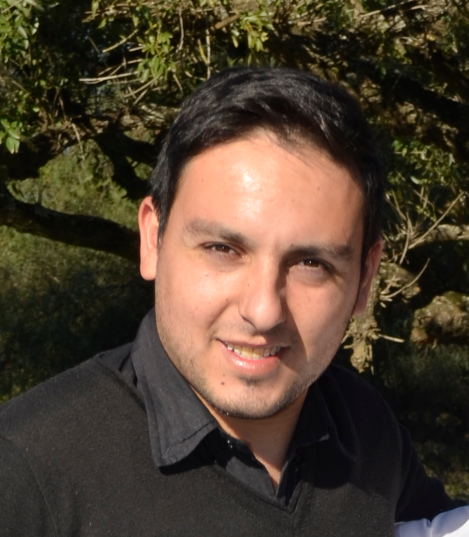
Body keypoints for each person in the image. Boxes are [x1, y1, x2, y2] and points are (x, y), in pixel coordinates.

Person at [0, 67, 461, 536]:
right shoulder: (26, 473)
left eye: (311, 264)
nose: (263, 310)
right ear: (152, 240)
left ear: (364, 278)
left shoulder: (364, 431)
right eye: (223, 249)